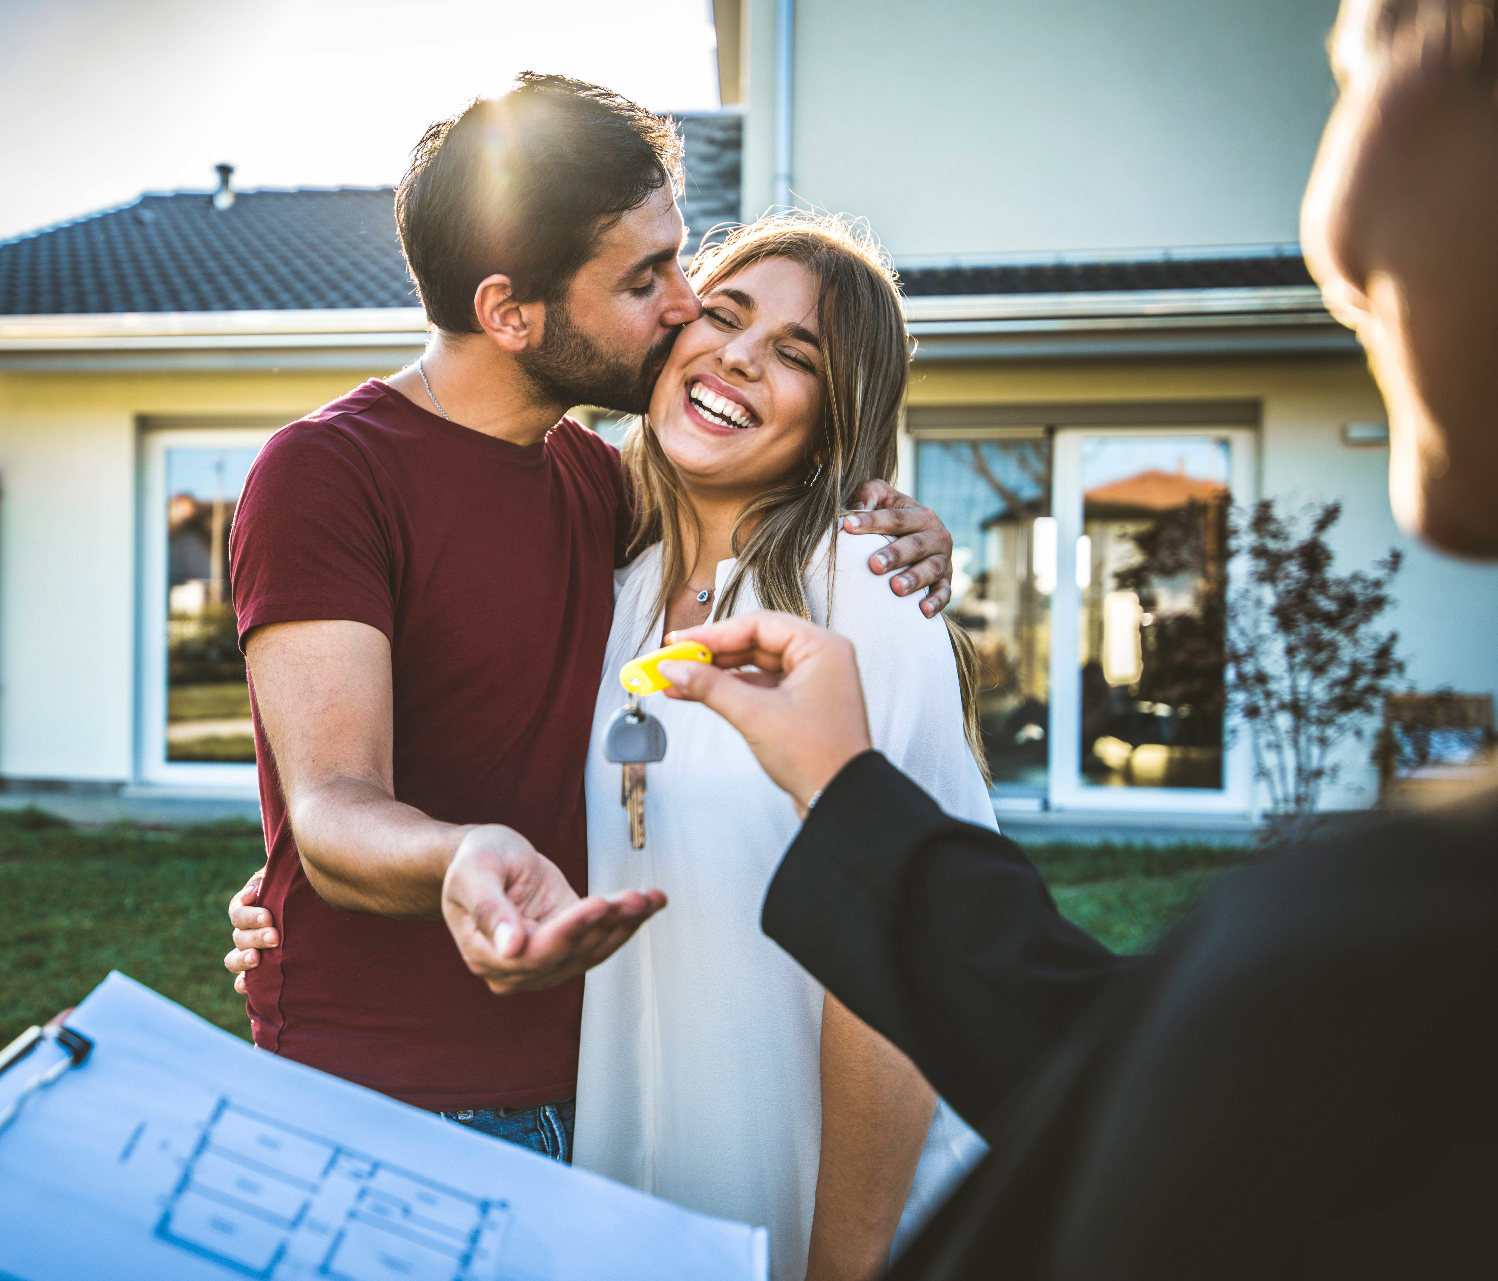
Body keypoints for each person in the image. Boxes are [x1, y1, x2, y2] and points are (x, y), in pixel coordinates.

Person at [649, 2, 1498, 1273]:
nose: (1331, 225)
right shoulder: (595, 552)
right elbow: (1141, 1064)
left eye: (1353, 62)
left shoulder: (869, 591)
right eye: (717, 316)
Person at [224, 73, 957, 1159]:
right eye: (646, 278)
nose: (683, 303)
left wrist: (882, 515)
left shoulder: (601, 488)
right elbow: (333, 805)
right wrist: (430, 856)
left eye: (680, 258)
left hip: (613, 1094)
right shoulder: (330, 472)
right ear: (510, 313)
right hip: (402, 1099)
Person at [571, 213, 991, 1281]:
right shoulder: (610, 588)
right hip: (644, 1206)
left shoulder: (871, 600)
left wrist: (839, 1268)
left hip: (838, 1217)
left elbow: (903, 969)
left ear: (833, 419)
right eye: (722, 314)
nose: (739, 357)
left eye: (797, 355)